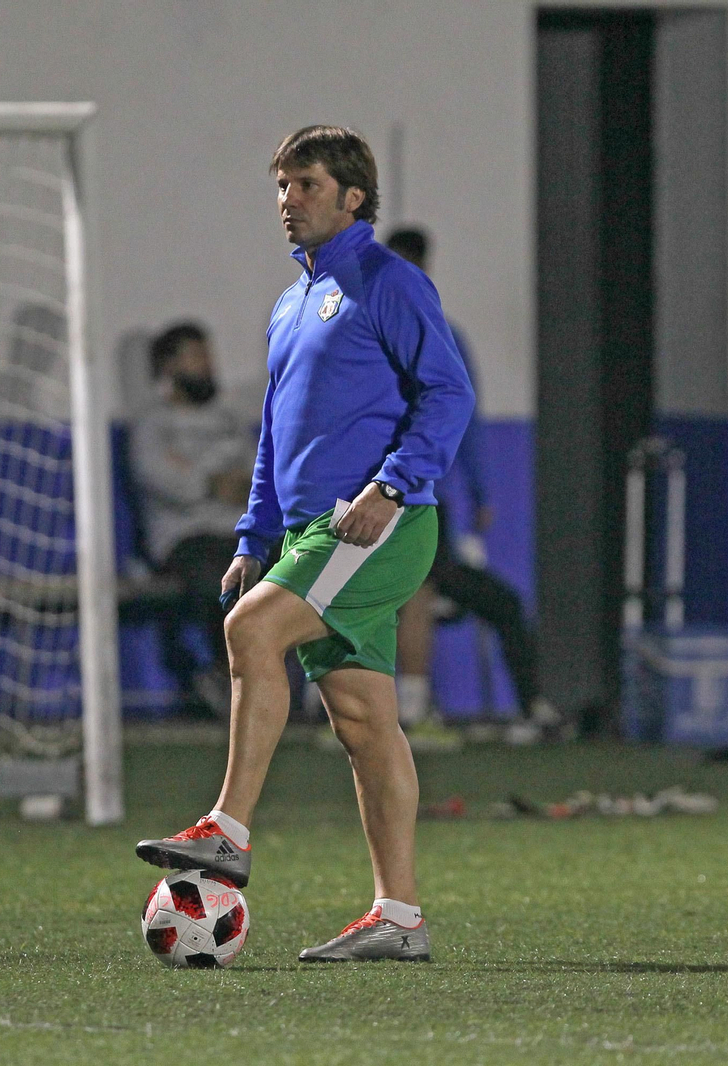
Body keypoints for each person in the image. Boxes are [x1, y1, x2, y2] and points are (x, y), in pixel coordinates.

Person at [135, 126, 474, 962]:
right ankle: (399, 917)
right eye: (281, 186)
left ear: (353, 197)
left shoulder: (390, 282)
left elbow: (448, 393)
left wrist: (391, 485)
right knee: (362, 721)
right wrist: (255, 534)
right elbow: (273, 439)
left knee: (251, 630)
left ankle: (229, 831)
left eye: (306, 185)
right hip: (312, 529)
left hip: (376, 522)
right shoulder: (291, 304)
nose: (288, 201)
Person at [383, 228, 568, 747]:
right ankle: (382, 712)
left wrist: (480, 491)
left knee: (431, 591)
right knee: (374, 596)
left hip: (419, 496)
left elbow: (462, 418)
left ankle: (416, 709)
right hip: (369, 492)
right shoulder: (359, 334)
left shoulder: (441, 336)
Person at [129, 322, 254, 716]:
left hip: (238, 533)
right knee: (222, 572)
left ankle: (262, 685)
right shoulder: (152, 427)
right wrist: (213, 482)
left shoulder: (231, 420)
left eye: (209, 355)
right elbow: (172, 485)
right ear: (169, 366)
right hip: (185, 541)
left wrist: (219, 482)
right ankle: (226, 678)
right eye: (197, 357)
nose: (208, 365)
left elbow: (258, 479)